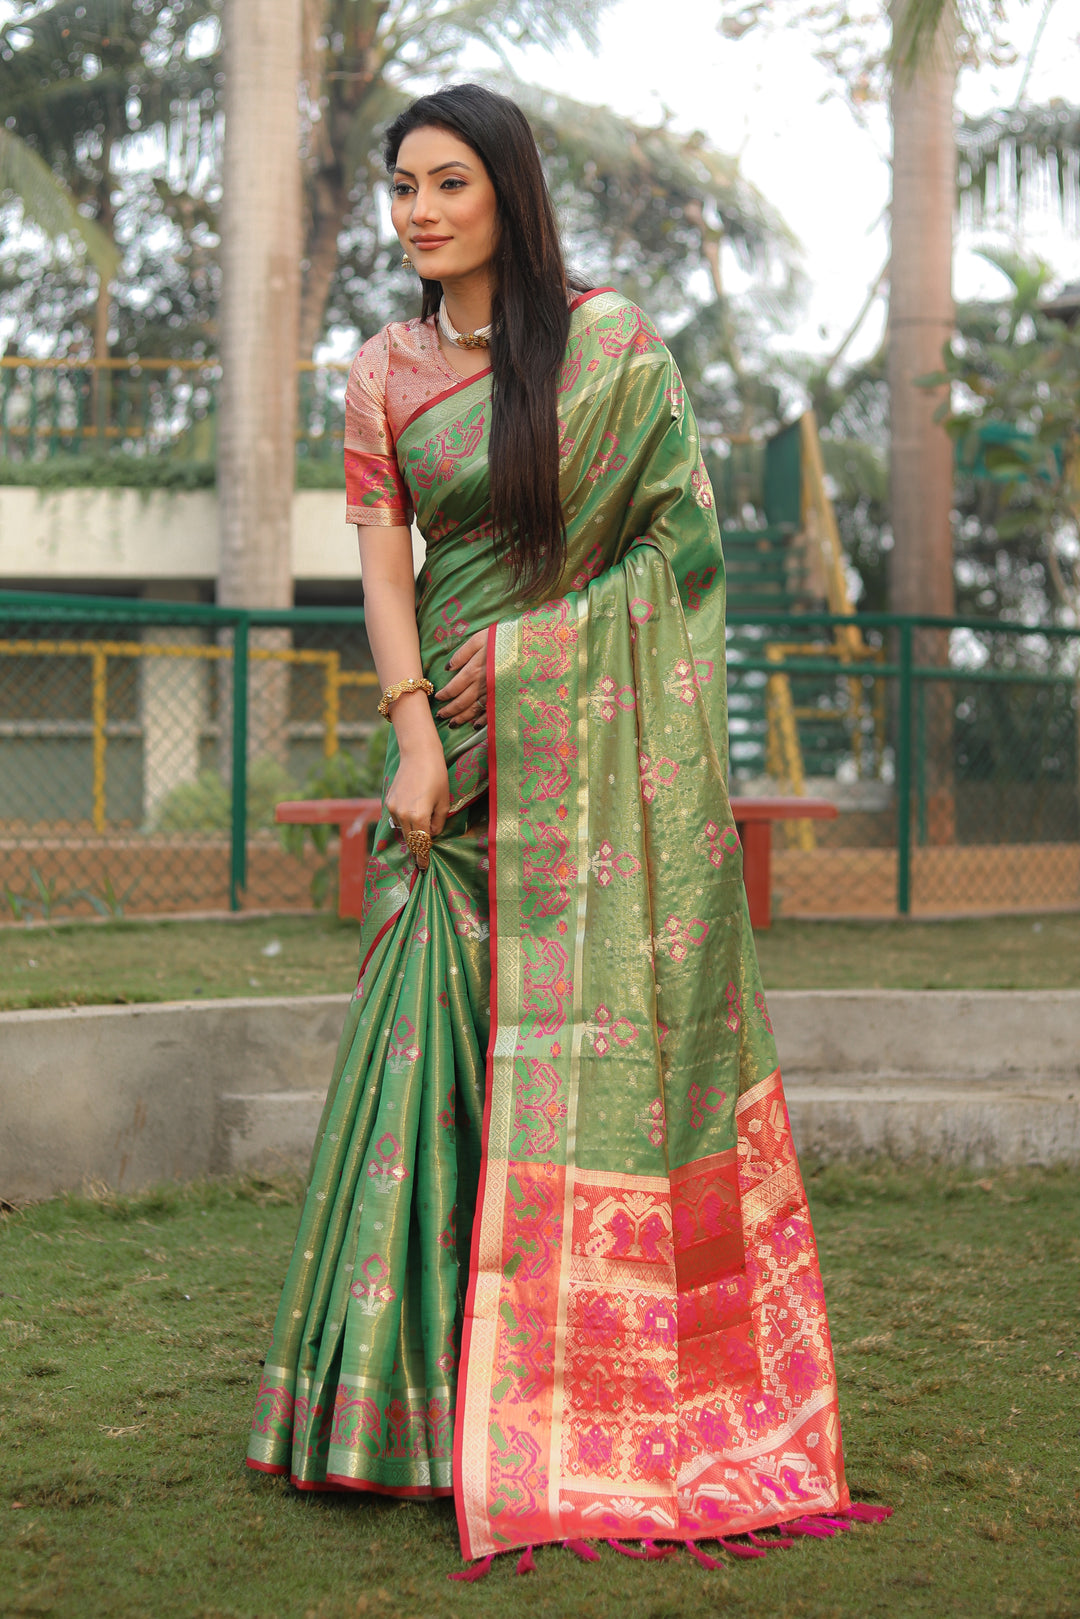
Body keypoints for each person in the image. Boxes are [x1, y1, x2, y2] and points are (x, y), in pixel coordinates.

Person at [246, 82, 861, 1569]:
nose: (419, 212)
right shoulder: (384, 370)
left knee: (572, 1049)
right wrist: (411, 735)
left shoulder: (610, 348)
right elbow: (385, 573)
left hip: (578, 744)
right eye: (402, 188)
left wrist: (543, 654)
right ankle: (393, 1415)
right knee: (426, 1053)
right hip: (449, 764)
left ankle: (574, 1392)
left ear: (509, 194)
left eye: (448, 183)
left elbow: (682, 551)